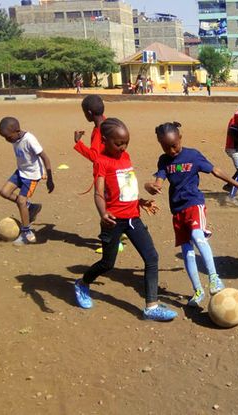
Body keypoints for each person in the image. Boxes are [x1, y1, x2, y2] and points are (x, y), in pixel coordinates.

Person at [73, 118, 177, 321]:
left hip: (133, 218)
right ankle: (82, 283)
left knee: (151, 257)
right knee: (107, 263)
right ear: (104, 140)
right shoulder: (101, 162)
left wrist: (140, 202)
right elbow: (99, 193)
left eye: (126, 143)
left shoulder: (126, 157)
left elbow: (125, 187)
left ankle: (151, 306)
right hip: (112, 221)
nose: (122, 147)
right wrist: (103, 213)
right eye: (118, 143)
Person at [146, 121, 238, 307]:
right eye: (166, 147)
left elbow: (215, 170)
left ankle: (214, 278)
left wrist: (237, 184)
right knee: (187, 251)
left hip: (194, 203)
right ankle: (198, 290)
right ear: (160, 145)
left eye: (174, 145)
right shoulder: (164, 160)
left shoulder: (192, 155)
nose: (172, 150)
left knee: (197, 235)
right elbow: (159, 181)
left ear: (180, 139)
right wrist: (151, 187)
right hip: (177, 210)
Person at [0, 117, 55, 246]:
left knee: (21, 201)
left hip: (32, 175)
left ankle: (26, 233)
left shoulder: (29, 140)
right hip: (21, 171)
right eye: (4, 138)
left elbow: (45, 157)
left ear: (17, 131)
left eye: (8, 137)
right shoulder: (15, 137)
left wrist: (49, 178)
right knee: (4, 192)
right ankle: (31, 207)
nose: (7, 140)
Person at [74, 94, 106, 162]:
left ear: (89, 113)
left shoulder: (99, 131)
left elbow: (94, 157)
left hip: (103, 169)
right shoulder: (109, 123)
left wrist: (78, 142)